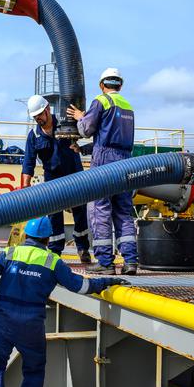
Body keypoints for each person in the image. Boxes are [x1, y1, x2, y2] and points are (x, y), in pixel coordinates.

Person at [0, 217, 125, 387]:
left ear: (26, 235)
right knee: (34, 370)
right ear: (47, 238)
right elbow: (80, 286)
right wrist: (107, 281)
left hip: (3, 321)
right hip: (32, 324)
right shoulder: (52, 261)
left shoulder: (10, 253)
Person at [67, 67, 138, 275]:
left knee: (100, 210)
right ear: (121, 85)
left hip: (104, 162)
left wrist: (81, 116)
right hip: (125, 162)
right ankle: (130, 261)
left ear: (102, 85)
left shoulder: (101, 101)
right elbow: (112, 139)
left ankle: (105, 262)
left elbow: (86, 129)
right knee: (123, 212)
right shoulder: (128, 106)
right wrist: (84, 149)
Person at [21, 94, 92, 263]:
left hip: (75, 176)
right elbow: (28, 162)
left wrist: (82, 115)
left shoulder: (66, 124)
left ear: (47, 109)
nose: (38, 118)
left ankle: (83, 248)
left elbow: (87, 128)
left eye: (40, 114)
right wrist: (25, 186)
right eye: (35, 116)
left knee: (80, 213)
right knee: (54, 216)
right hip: (52, 181)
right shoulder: (34, 135)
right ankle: (55, 252)